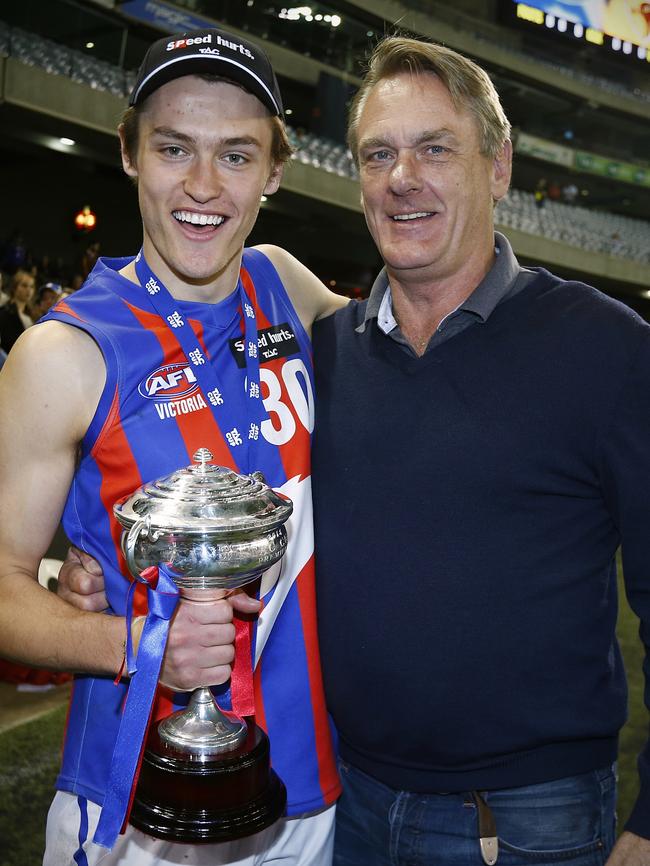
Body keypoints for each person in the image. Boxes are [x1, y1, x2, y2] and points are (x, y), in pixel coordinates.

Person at [56, 34, 650, 866]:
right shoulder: (321, 345)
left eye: (435, 149)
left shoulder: (608, 350)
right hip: (351, 802)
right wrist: (104, 573)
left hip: (523, 817)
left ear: (500, 166)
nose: (402, 177)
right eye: (379, 154)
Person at [0, 26, 345, 866]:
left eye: (235, 155)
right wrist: (132, 643)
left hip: (313, 793)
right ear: (128, 153)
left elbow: (418, 353)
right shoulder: (64, 353)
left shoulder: (285, 287)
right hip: (137, 806)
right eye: (173, 148)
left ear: (274, 170)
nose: (201, 186)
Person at [0, 268, 35, 354]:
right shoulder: (4, 313)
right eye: (24, 285)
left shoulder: (32, 315)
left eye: (31, 286)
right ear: (15, 288)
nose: (29, 290)